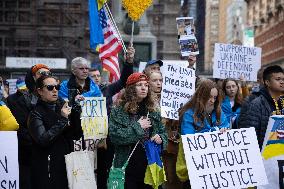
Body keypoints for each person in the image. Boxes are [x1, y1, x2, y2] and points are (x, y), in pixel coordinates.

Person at [109, 72, 168, 189]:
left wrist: (161, 138)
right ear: (131, 89)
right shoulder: (119, 110)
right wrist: (137, 126)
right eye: (139, 85)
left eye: (146, 85)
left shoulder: (153, 110)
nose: (143, 88)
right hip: (127, 165)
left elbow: (163, 132)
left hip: (150, 164)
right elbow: (115, 137)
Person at [89, 46, 135, 189]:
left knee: (104, 170)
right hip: (86, 139)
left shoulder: (106, 89)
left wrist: (128, 62)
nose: (97, 78)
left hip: (104, 138)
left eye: (98, 76)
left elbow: (124, 81)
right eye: (93, 76)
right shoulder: (78, 92)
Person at [6, 64, 51, 189]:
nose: (45, 77)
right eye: (42, 73)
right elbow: (18, 128)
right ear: (32, 77)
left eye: (48, 74)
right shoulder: (14, 100)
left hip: (48, 157)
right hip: (25, 157)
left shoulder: (54, 99)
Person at [179, 79, 229, 188]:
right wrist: (213, 132)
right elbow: (189, 139)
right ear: (201, 96)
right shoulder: (189, 114)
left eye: (215, 98)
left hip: (216, 167)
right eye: (209, 97)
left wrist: (225, 131)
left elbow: (225, 127)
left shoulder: (219, 112)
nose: (212, 101)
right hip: (196, 167)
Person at [28, 75, 72, 189]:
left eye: (57, 87)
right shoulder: (35, 113)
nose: (55, 90)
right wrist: (63, 120)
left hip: (66, 165)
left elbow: (75, 134)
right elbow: (43, 140)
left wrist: (76, 113)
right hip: (47, 168)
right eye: (50, 87)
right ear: (40, 91)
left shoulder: (63, 108)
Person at [241, 65, 284, 149]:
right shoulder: (257, 104)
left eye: (283, 79)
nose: (282, 82)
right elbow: (250, 136)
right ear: (267, 82)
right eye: (278, 79)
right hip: (265, 156)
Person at [59, 57, 101, 141]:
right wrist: (73, 99)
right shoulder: (64, 86)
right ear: (73, 71)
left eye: (87, 68)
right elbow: (61, 105)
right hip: (70, 130)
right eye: (81, 68)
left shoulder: (95, 88)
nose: (85, 71)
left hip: (90, 131)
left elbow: (99, 110)